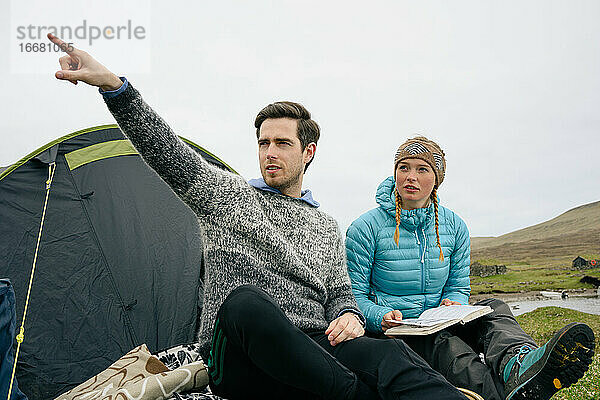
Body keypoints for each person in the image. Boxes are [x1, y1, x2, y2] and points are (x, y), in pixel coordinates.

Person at [47, 34, 472, 400]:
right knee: (245, 302)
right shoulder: (228, 195)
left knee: (389, 355)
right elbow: (167, 152)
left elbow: (341, 293)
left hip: (313, 348)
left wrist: (349, 315)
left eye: (282, 143)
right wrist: (115, 87)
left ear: (308, 152)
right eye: (263, 142)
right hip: (240, 355)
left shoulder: (325, 226)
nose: (269, 152)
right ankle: (354, 395)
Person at [345, 136, 595, 400]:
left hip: (438, 320)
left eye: (422, 169)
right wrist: (381, 315)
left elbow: (458, 286)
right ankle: (503, 393)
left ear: (437, 179)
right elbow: (353, 296)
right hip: (397, 329)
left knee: (494, 307)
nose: (411, 177)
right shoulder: (365, 228)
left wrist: (453, 302)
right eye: (403, 167)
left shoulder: (455, 226)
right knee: (449, 348)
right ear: (394, 172)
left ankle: (518, 365)